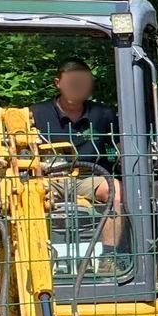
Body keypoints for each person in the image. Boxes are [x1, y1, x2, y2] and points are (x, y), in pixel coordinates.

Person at [32, 59, 123, 248]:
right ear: (58, 83)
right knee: (27, 195)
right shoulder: (37, 113)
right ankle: (38, 255)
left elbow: (123, 144)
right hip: (49, 178)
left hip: (88, 178)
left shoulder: (104, 114)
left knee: (115, 190)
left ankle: (109, 256)